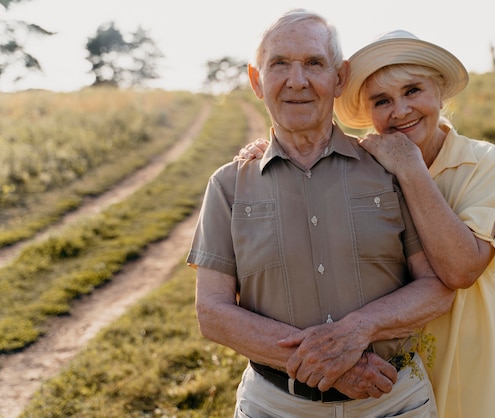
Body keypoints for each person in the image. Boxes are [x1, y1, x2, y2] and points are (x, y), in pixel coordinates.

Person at [240, 30, 495, 417]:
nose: (400, 111)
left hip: (471, 357)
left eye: (413, 91)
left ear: (439, 93)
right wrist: (270, 153)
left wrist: (409, 166)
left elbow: (461, 269)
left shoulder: (484, 163)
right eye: (382, 101)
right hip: (390, 377)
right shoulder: (366, 166)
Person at [187, 9, 452, 418]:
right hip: (274, 406)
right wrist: (329, 366)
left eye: (314, 63)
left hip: (393, 401)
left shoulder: (390, 170)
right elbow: (213, 314)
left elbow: (436, 286)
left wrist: (355, 331)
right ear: (257, 80)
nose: (297, 80)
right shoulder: (227, 186)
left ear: (339, 78)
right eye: (279, 64)